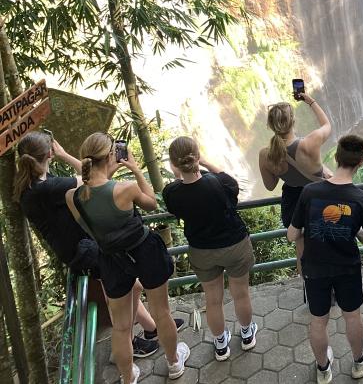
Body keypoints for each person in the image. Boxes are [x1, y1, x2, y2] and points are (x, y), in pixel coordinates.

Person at [14, 131, 180, 360]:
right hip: (84, 250)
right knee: (122, 299)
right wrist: (118, 169)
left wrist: (68, 157)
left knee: (134, 288)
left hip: (82, 244)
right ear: (49, 154)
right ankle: (130, 343)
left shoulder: (35, 183)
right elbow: (92, 181)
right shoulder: (44, 189)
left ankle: (152, 328)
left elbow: (89, 179)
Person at [65, 133, 190, 383]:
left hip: (111, 259)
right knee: (162, 312)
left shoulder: (73, 197)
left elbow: (89, 228)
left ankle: (128, 377)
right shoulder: (125, 189)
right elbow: (152, 204)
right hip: (143, 250)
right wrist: (136, 170)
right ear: (112, 155)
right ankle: (174, 363)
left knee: (121, 327)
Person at [288, 134, 363, 382]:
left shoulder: (309, 192)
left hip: (314, 267)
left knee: (318, 320)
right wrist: (355, 231)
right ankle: (359, 362)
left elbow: (291, 234)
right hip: (346, 266)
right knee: (352, 315)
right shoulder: (362, 199)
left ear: (336, 157)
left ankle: (323, 369)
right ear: (360, 162)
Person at [163, 137, 257, 361]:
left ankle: (221, 345)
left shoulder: (171, 193)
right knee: (240, 294)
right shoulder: (218, 183)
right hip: (234, 245)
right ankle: (246, 335)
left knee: (212, 300)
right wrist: (204, 162)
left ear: (174, 164)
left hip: (202, 251)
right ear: (197, 158)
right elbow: (230, 181)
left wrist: (180, 172)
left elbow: (180, 192)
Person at [258, 95, 333, 234]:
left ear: (270, 125)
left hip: (294, 206)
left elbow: (270, 186)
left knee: (302, 248)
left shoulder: (265, 155)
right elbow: (327, 125)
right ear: (293, 120)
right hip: (321, 202)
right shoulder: (310, 142)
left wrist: (279, 166)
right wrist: (310, 101)